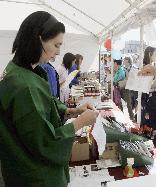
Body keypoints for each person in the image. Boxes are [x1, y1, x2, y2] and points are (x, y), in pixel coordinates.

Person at [0, 11, 99, 187]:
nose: (58, 52)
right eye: (56, 45)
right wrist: (79, 122)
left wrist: (72, 111)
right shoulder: (25, 86)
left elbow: (44, 107)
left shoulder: (22, 70)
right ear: (39, 40)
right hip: (35, 175)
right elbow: (46, 142)